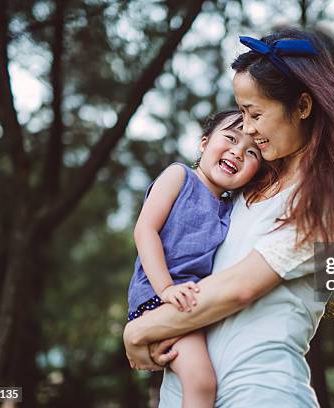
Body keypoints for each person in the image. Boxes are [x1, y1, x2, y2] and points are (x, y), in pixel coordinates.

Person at [123, 27, 334, 407]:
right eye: (241, 113)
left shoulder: (326, 201)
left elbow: (240, 286)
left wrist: (140, 329)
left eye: (254, 113)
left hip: (260, 394)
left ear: (303, 107)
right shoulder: (253, 184)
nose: (249, 129)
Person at [127, 110, 262, 408]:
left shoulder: (231, 208)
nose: (237, 152)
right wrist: (165, 288)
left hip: (190, 304)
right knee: (201, 382)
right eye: (230, 138)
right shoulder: (180, 176)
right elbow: (145, 230)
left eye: (251, 152)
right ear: (204, 143)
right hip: (160, 298)